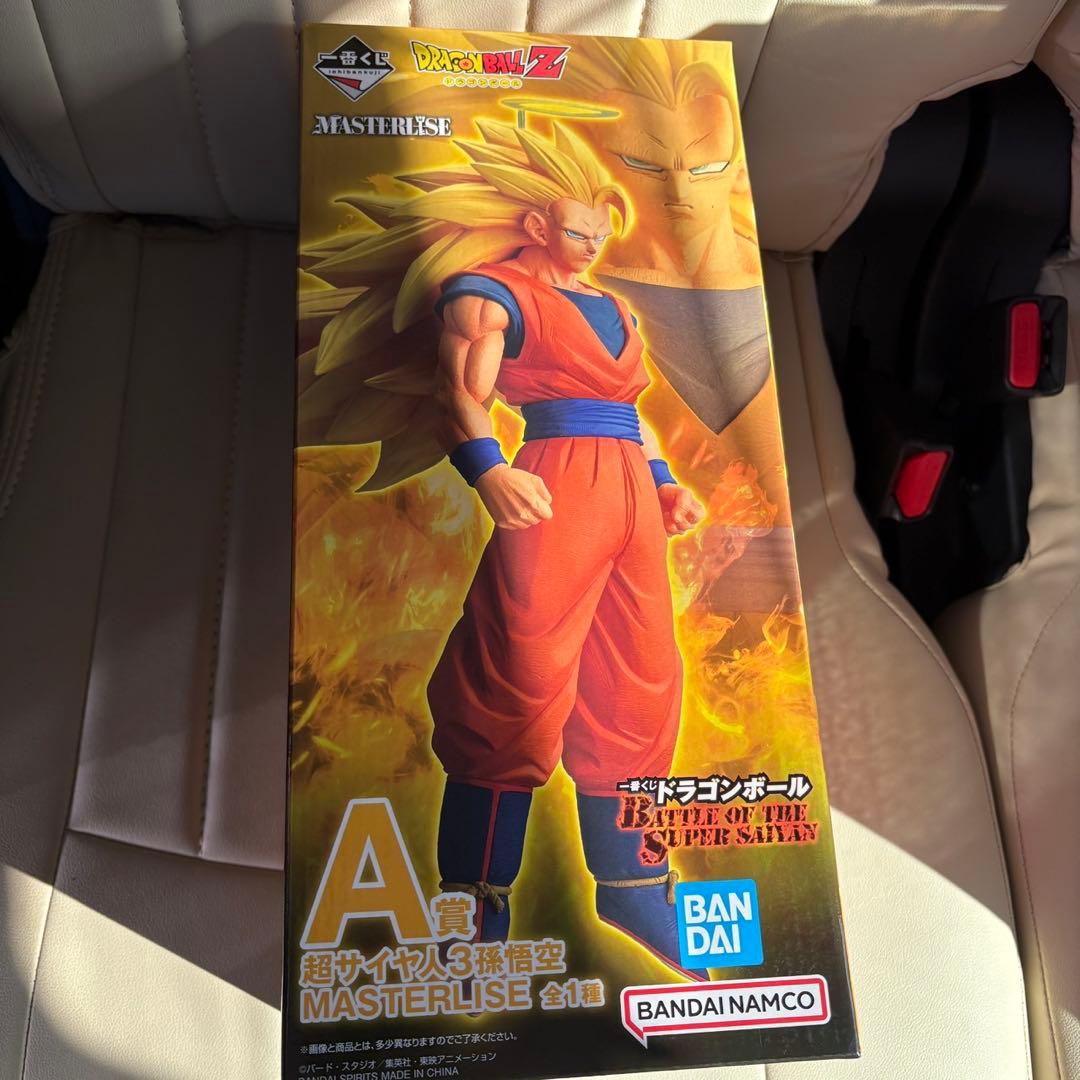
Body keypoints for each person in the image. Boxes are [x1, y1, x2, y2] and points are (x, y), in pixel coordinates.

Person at [424, 130, 705, 979]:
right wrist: (489, 470)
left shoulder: (613, 307)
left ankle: (633, 883)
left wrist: (664, 482)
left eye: (600, 236)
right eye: (579, 232)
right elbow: (460, 393)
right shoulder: (490, 294)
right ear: (539, 225)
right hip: (555, 483)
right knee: (517, 673)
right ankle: (474, 897)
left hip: (629, 493)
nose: (592, 247)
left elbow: (628, 409)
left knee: (640, 679)